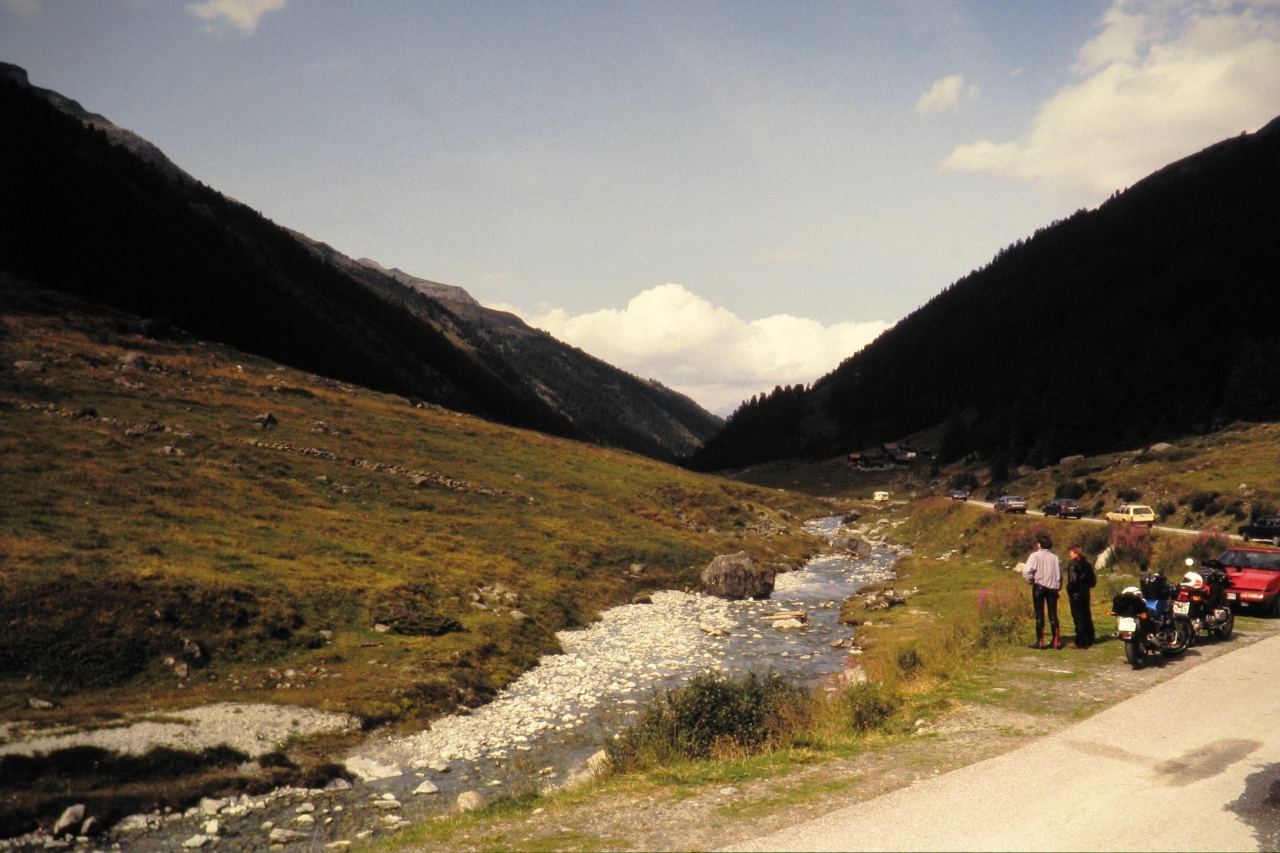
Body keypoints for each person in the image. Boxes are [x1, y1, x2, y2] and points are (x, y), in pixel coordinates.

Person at [1025, 532, 1063, 649]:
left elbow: (1026, 571)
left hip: (1039, 587)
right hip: (1052, 588)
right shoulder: (1055, 558)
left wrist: (1030, 580)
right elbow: (1060, 574)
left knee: (1039, 615)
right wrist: (1058, 586)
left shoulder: (1035, 556)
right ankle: (1056, 642)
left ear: (1040, 544)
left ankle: (1040, 642)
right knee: (1053, 615)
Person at [1065, 545, 1097, 649]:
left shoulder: (1073, 566)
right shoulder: (1087, 565)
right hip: (1085, 593)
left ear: (1076, 553)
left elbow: (1073, 581)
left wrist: (1068, 588)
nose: (1069, 554)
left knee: (1078, 617)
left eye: (1070, 552)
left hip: (1076, 595)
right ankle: (1090, 637)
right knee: (1086, 615)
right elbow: (1093, 582)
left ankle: (1081, 641)